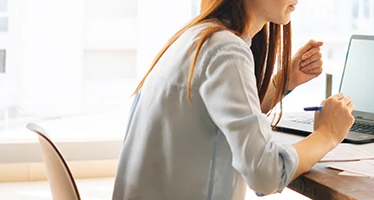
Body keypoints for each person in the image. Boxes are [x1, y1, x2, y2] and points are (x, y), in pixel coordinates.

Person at [113, 0, 355, 199]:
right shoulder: (226, 50)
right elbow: (265, 173)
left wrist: (286, 80)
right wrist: (328, 134)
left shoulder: (199, 36)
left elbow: (219, 123)